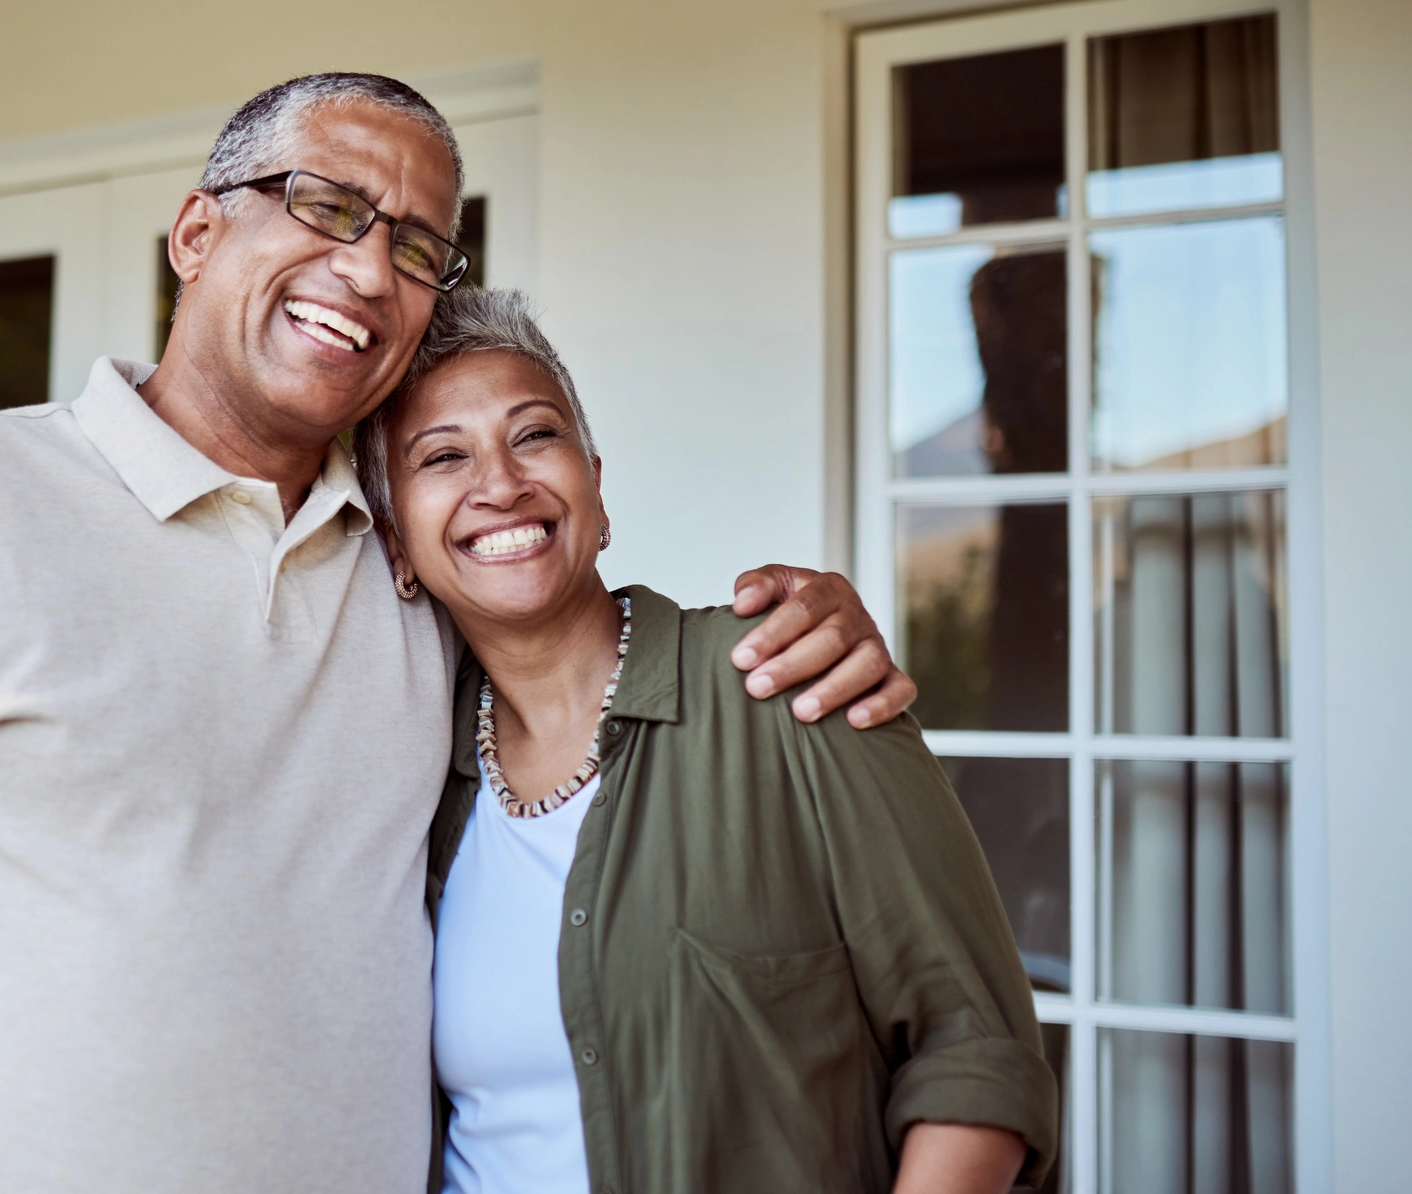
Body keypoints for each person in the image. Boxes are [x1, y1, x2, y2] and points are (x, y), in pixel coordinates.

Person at [0, 74, 915, 1194]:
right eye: (325, 206)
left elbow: (583, 657)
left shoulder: (416, 560)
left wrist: (803, 623)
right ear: (197, 231)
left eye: (420, 248)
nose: (369, 271)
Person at [356, 287, 1057, 1194]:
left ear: (596, 490)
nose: (501, 483)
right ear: (398, 546)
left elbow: (977, 1051)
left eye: (534, 435)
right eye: (443, 456)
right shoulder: (410, 774)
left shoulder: (784, 679)